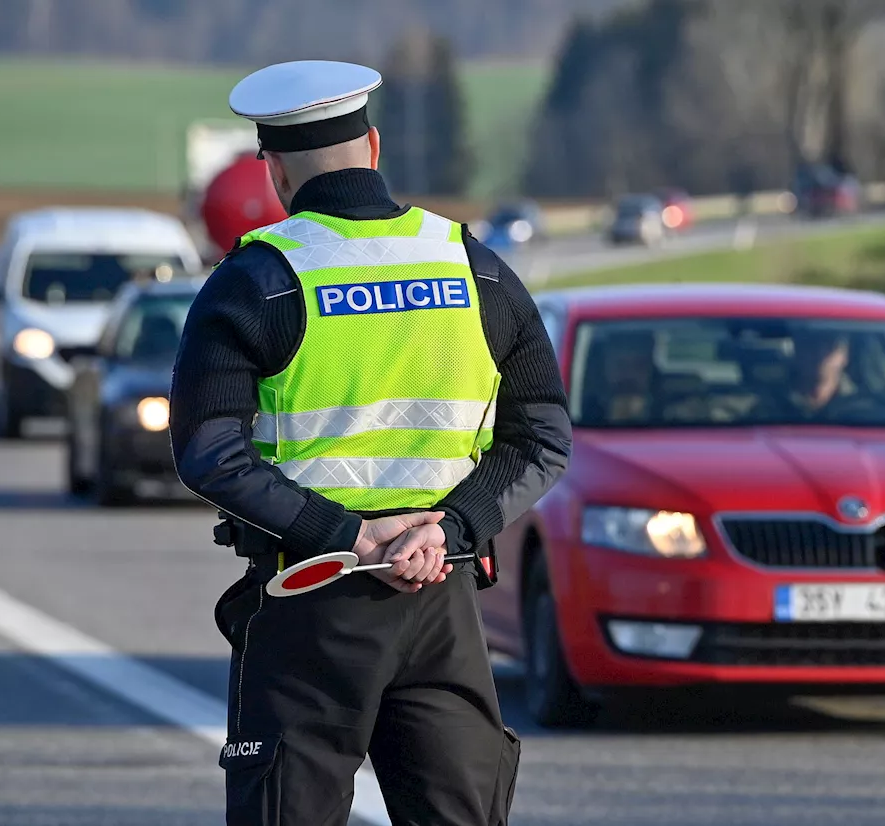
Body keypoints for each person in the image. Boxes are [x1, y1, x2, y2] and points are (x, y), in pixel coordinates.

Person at [168, 60, 572, 825]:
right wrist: (447, 529)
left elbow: (210, 453)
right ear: (375, 147)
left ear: (276, 171)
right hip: (441, 596)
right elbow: (543, 436)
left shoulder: (257, 280)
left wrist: (350, 535)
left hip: (309, 601)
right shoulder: (475, 268)